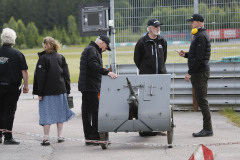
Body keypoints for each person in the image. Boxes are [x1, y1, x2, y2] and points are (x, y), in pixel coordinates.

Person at [33, 36, 75, 146]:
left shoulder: (43, 58)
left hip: (47, 92)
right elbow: (66, 75)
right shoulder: (61, 57)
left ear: (45, 46)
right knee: (60, 114)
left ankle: (46, 138)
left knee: (46, 114)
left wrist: (39, 93)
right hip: (61, 90)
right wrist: (68, 90)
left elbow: (40, 78)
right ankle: (60, 136)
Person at [176, 14, 213, 137]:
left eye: (192, 22)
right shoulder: (199, 35)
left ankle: (208, 129)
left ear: (198, 23)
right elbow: (196, 54)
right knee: (201, 100)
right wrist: (185, 54)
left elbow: (199, 58)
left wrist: (189, 73)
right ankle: (207, 128)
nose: (190, 24)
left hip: (199, 72)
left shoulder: (201, 36)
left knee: (202, 101)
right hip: (199, 72)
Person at [78, 35, 117, 146]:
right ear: (103, 43)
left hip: (87, 86)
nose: (105, 50)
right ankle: (96, 137)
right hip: (90, 86)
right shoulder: (92, 50)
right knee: (95, 112)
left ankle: (89, 138)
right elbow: (93, 65)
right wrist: (107, 72)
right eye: (106, 47)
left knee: (87, 112)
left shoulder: (90, 49)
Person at [134, 19, 167, 136]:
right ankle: (146, 127)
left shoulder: (162, 41)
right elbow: (137, 59)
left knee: (160, 102)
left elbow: (164, 58)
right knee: (147, 101)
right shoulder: (142, 42)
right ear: (149, 28)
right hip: (147, 77)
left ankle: (160, 127)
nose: (158, 28)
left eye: (158, 26)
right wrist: (145, 70)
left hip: (161, 77)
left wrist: (161, 69)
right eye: (155, 26)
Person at [0, 28, 29, 145]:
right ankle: (8, 136)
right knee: (9, 111)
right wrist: (26, 85)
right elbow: (24, 72)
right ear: (13, 40)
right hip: (12, 88)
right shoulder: (18, 54)